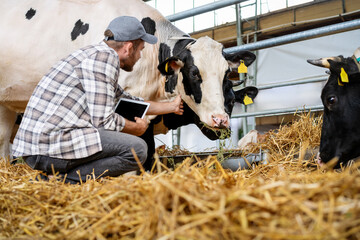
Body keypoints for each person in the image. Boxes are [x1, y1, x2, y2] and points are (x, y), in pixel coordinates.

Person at [12, 16, 183, 184]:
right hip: (47, 144)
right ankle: (63, 180)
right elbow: (104, 121)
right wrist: (135, 128)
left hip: (41, 144)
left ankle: (56, 176)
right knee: (137, 149)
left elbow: (128, 100)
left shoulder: (95, 55)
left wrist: (171, 106)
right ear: (128, 47)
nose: (139, 56)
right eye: (140, 50)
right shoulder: (105, 59)